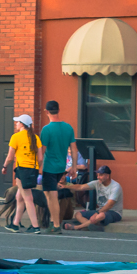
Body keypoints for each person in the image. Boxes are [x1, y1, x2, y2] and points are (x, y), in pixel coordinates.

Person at [39, 100, 77, 234]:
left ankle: (56, 225)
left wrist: (39, 166)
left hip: (49, 167)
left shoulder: (46, 129)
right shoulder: (68, 127)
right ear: (58, 110)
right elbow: (74, 148)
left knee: (52, 196)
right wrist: (73, 166)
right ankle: (53, 222)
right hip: (61, 166)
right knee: (49, 195)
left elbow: (42, 150)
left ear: (46, 112)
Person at [2, 114, 43, 234]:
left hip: (21, 170)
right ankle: (15, 224)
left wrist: (4, 166)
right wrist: (36, 168)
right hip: (33, 169)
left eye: (17, 122)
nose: (16, 124)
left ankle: (35, 226)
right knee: (19, 197)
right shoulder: (36, 138)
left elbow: (10, 157)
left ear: (22, 124)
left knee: (27, 198)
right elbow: (40, 158)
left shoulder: (16, 137)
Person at [61, 165, 123, 230]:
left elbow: (109, 205)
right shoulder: (97, 183)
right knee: (78, 214)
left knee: (101, 215)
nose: (98, 177)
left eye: (100, 175)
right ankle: (92, 226)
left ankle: (77, 227)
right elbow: (80, 187)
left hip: (114, 213)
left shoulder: (115, 186)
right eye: (97, 175)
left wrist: (97, 213)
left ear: (107, 176)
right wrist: (65, 186)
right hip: (100, 210)